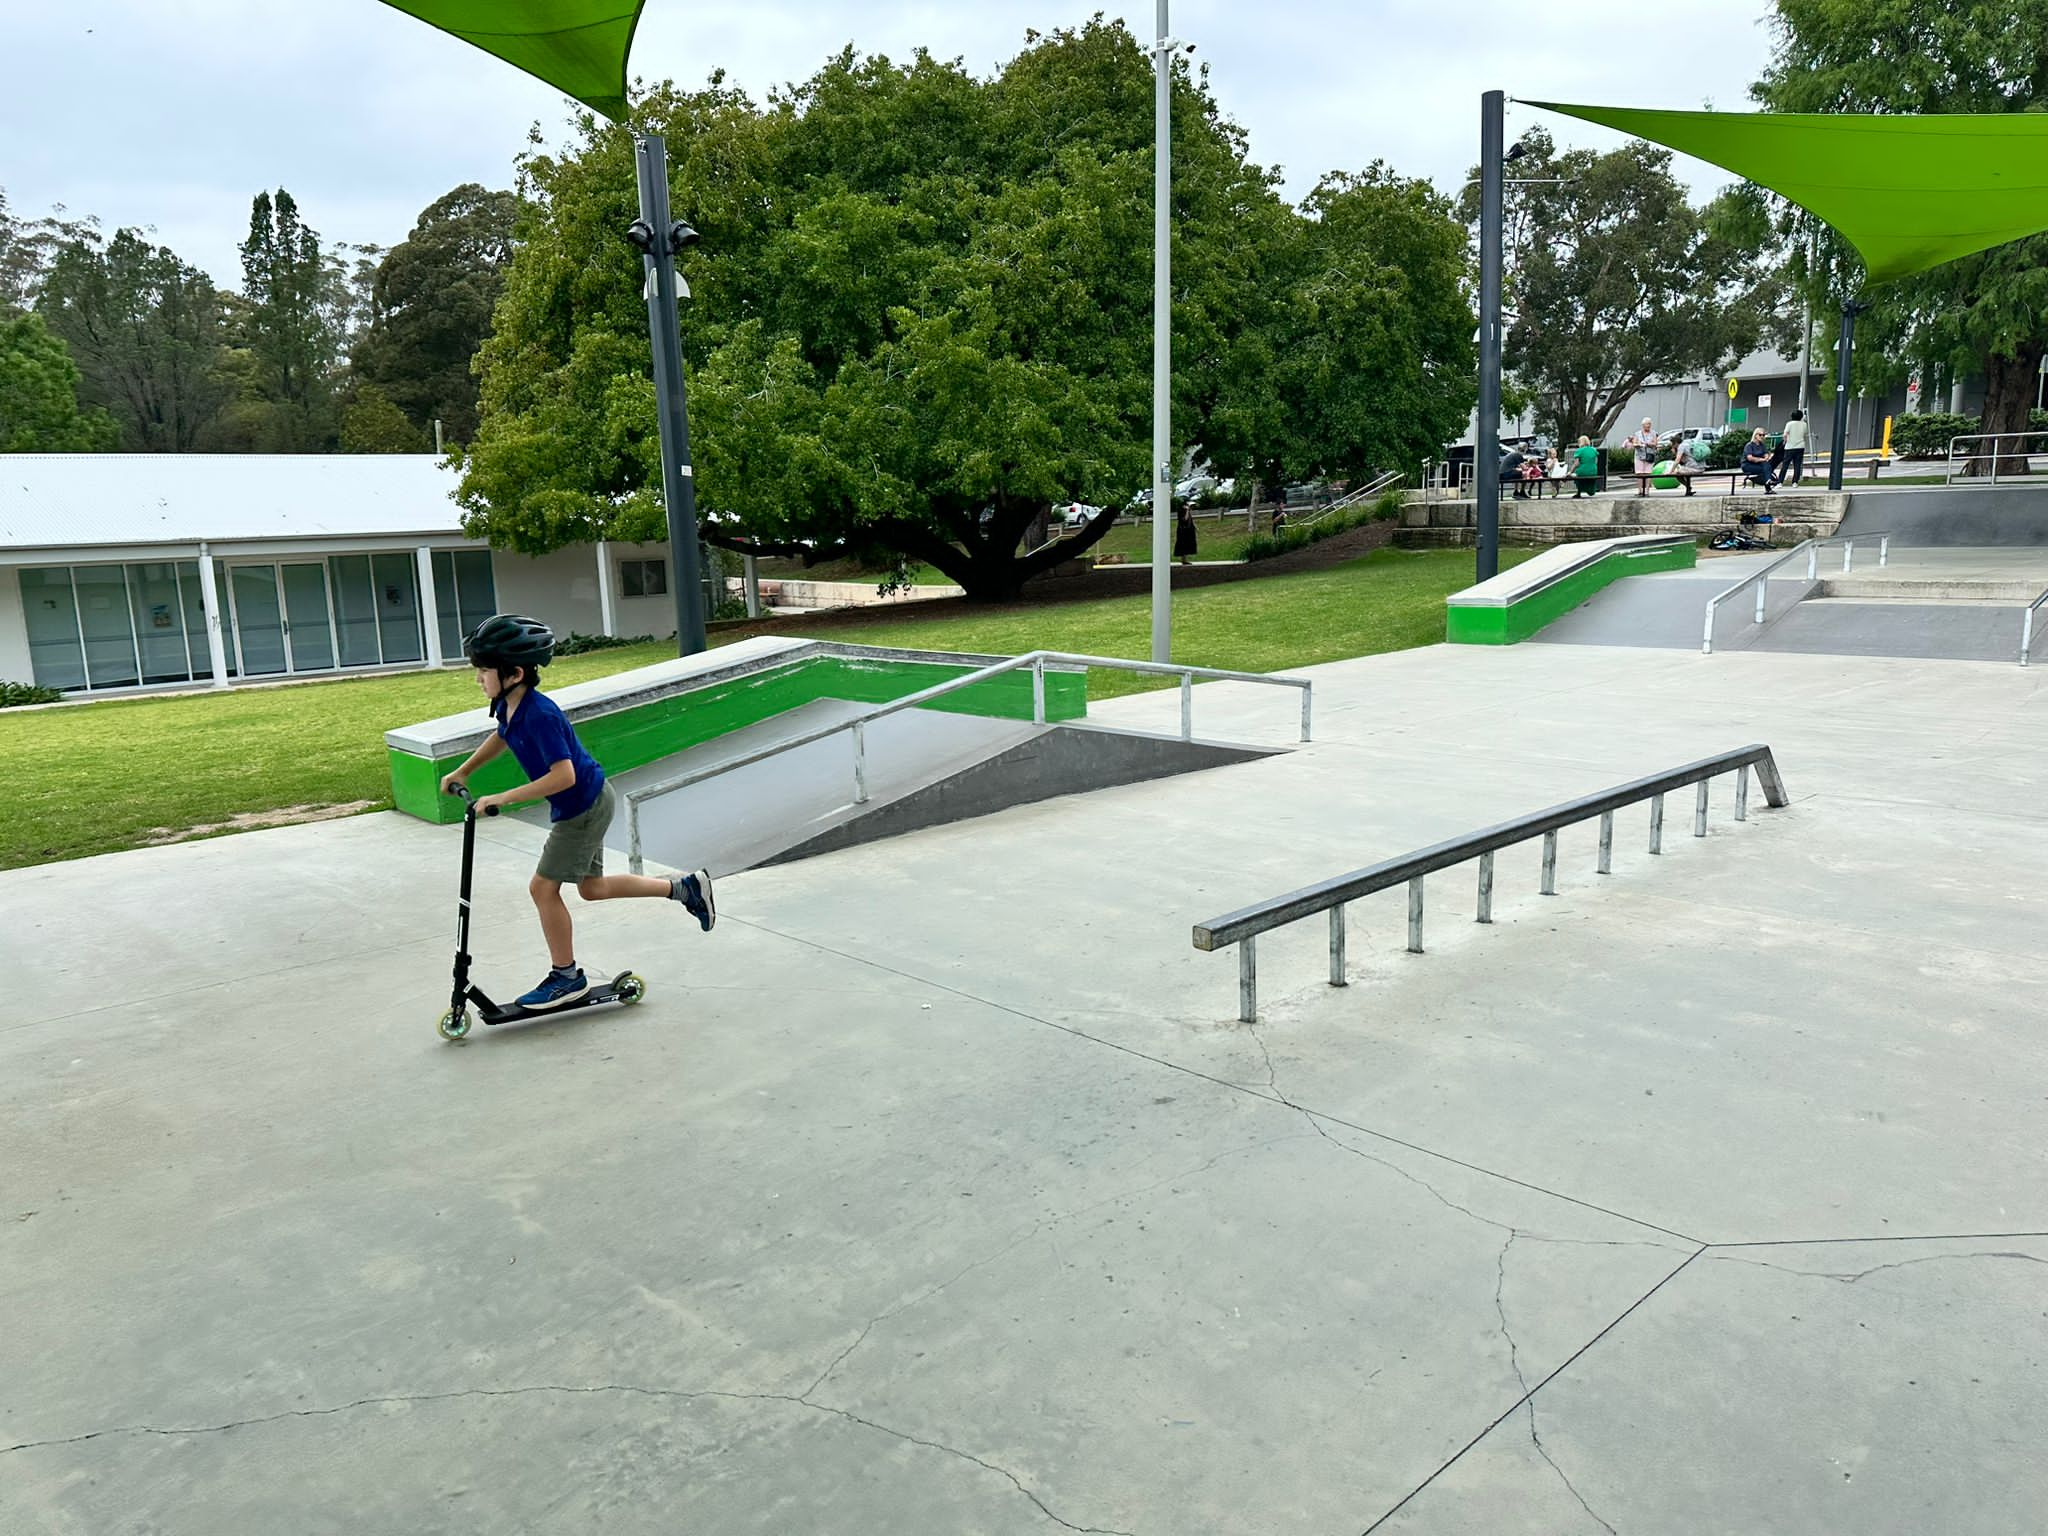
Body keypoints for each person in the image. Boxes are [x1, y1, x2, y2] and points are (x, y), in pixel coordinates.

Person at [439, 615, 715, 1010]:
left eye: (484, 671)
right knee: (592, 888)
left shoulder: (540, 714)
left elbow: (563, 776)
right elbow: (502, 735)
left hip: (581, 805)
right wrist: (464, 770)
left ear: (514, 673)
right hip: (588, 800)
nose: (478, 678)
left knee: (542, 888)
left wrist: (503, 797)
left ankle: (566, 978)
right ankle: (685, 888)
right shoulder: (510, 706)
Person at [1775, 409, 1809, 485]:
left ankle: (1780, 481)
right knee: (1797, 465)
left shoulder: (1789, 424)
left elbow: (1785, 434)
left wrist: (1784, 442)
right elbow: (1804, 434)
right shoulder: (1804, 424)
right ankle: (1795, 482)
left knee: (1785, 465)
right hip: (1800, 446)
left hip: (1789, 447)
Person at [1625, 418, 1658, 497]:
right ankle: (1640, 490)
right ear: (1643, 425)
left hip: (1649, 455)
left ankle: (1647, 490)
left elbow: (1655, 443)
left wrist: (1648, 444)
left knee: (1648, 473)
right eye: (1647, 424)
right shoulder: (1637, 433)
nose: (1649, 425)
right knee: (1639, 473)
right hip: (1639, 455)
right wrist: (1638, 445)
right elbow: (1634, 443)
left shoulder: (1654, 433)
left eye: (1650, 424)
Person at [1740, 428, 1776, 493]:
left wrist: (1766, 457)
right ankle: (1768, 485)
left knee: (1766, 466)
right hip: (1748, 465)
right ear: (1755, 435)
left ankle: (1768, 482)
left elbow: (1766, 454)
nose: (1762, 437)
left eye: (1763, 435)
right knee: (1766, 470)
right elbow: (1750, 458)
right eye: (1760, 435)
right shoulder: (1749, 445)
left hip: (1758, 465)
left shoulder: (1762, 445)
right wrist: (1762, 459)